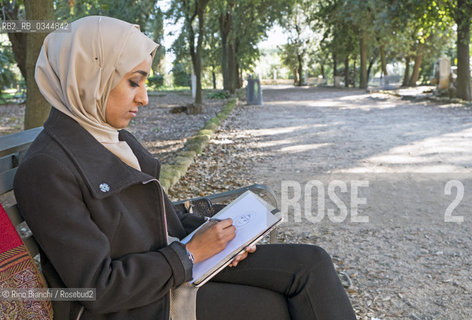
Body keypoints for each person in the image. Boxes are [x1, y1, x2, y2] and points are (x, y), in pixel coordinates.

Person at [14, 16, 357, 320]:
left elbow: (160, 222)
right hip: (137, 305)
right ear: (91, 78)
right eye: (134, 82)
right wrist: (190, 253)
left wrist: (222, 237)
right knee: (276, 306)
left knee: (311, 263)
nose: (144, 98)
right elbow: (98, 288)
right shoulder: (45, 169)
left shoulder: (113, 138)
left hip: (168, 272)